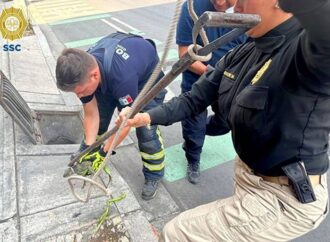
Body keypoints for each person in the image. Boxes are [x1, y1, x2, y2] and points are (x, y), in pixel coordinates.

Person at [117, 0, 330, 240]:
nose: (236, 7)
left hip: (285, 196)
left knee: (176, 233)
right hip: (248, 176)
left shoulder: (308, 55)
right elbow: (193, 99)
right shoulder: (244, 51)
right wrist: (144, 116)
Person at [55, 32, 167, 200]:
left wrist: (105, 152)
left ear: (94, 75)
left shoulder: (122, 78)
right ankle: (90, 152)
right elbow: (91, 113)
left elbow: (125, 123)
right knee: (101, 119)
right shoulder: (83, 70)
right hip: (111, 76)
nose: (80, 95)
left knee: (146, 131)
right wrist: (88, 146)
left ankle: (154, 174)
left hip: (145, 80)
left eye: (82, 91)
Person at [177, 0, 247, 184]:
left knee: (225, 123)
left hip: (229, 83)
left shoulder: (250, 10)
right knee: (193, 125)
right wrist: (214, 74)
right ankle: (193, 158)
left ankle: (200, 130)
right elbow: (185, 52)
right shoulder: (192, 8)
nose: (220, 2)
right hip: (197, 78)